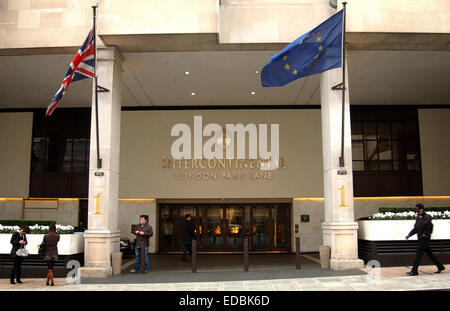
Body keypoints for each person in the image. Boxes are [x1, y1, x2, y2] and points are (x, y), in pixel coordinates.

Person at [405, 203, 445, 276]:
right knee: (430, 254)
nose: (416, 211)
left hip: (425, 238)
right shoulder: (418, 218)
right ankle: (440, 266)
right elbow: (416, 228)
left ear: (421, 209)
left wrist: (419, 217)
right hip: (421, 238)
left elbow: (424, 225)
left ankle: (414, 271)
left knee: (419, 254)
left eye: (417, 209)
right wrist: (409, 235)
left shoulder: (428, 217)